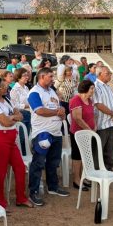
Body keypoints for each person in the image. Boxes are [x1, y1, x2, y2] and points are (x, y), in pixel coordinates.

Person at [0, 77, 33, 210]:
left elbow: (18, 114)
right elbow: (5, 122)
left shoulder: (6, 99)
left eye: (5, 85)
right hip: (0, 139)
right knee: (1, 171)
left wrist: (12, 117)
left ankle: (21, 197)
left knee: (20, 168)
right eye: (2, 86)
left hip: (11, 139)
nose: (6, 87)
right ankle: (0, 201)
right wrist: (13, 118)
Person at [27, 67, 69, 207]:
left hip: (56, 132)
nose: (53, 78)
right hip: (42, 132)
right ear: (42, 76)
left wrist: (61, 112)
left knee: (53, 162)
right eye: (50, 76)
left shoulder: (52, 91)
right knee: (38, 163)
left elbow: (59, 108)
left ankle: (52, 187)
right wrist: (57, 112)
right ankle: (33, 192)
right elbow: (39, 110)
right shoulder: (34, 92)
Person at [68, 80, 97, 191]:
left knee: (86, 156)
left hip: (89, 132)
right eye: (92, 88)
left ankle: (83, 177)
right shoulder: (76, 100)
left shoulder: (89, 100)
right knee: (77, 156)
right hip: (78, 133)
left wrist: (94, 126)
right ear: (85, 89)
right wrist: (90, 130)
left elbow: (92, 114)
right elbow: (77, 118)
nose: (93, 91)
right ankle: (76, 179)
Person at [92, 66, 113, 171]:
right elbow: (98, 105)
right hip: (101, 124)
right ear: (100, 74)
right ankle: (97, 173)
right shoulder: (95, 87)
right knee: (98, 151)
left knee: (110, 151)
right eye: (107, 73)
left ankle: (108, 171)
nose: (110, 75)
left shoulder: (108, 87)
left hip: (111, 123)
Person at [10, 67, 32, 141]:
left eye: (27, 75)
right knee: (22, 138)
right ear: (18, 77)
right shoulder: (14, 90)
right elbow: (15, 106)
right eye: (24, 75)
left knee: (28, 136)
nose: (27, 77)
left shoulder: (26, 88)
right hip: (22, 114)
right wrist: (27, 105)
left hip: (29, 113)